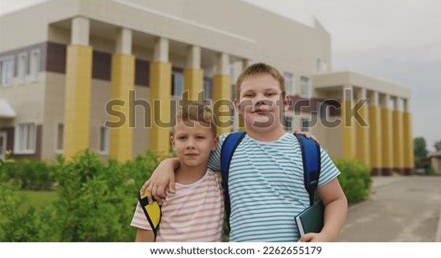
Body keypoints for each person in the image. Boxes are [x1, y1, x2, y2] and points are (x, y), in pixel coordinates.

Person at [141, 63, 348, 242]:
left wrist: (326, 237)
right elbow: (190, 156)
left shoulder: (308, 150)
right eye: (250, 95)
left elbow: (336, 200)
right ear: (238, 106)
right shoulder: (225, 147)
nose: (259, 100)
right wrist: (167, 164)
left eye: (269, 94)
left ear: (285, 102)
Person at [131, 105, 223, 242]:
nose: (190, 144)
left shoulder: (219, 183)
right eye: (182, 138)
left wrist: (168, 162)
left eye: (199, 137)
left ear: (214, 143)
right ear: (173, 143)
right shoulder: (157, 188)